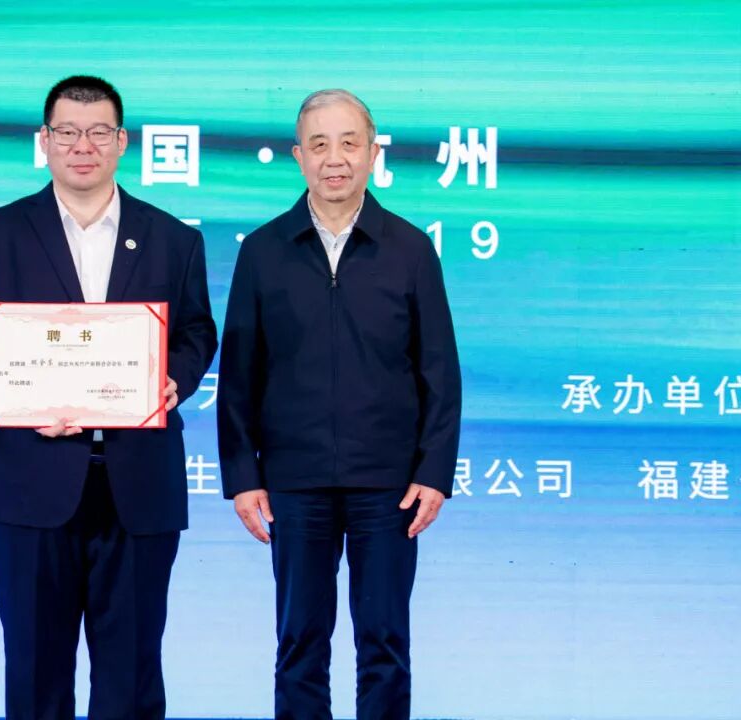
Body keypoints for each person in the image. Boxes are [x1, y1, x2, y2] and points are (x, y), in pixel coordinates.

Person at [0, 75, 217, 719]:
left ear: (121, 142)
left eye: (98, 132)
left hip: (138, 483)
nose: (82, 146)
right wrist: (20, 396)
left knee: (131, 675)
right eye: (67, 132)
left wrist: (174, 378)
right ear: (44, 141)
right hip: (29, 480)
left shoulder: (173, 238)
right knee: (35, 671)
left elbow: (196, 331)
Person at [217, 88, 462, 720]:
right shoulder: (263, 250)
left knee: (385, 642)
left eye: (350, 143)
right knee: (299, 642)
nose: (335, 159)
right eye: (319, 144)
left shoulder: (410, 249)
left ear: (374, 153)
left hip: (388, 484)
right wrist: (243, 477)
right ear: (299, 156)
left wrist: (434, 472)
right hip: (293, 481)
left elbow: (439, 371)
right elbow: (239, 374)